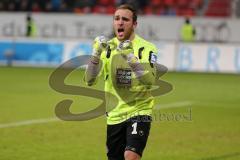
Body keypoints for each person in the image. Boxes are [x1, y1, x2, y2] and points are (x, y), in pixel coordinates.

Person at [85, 4, 159, 160]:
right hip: (114, 115)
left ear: (134, 24)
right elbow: (89, 81)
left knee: (131, 156)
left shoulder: (147, 48)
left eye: (125, 19)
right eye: (116, 19)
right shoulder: (107, 48)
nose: (120, 22)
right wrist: (96, 53)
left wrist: (131, 57)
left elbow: (149, 82)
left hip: (139, 110)